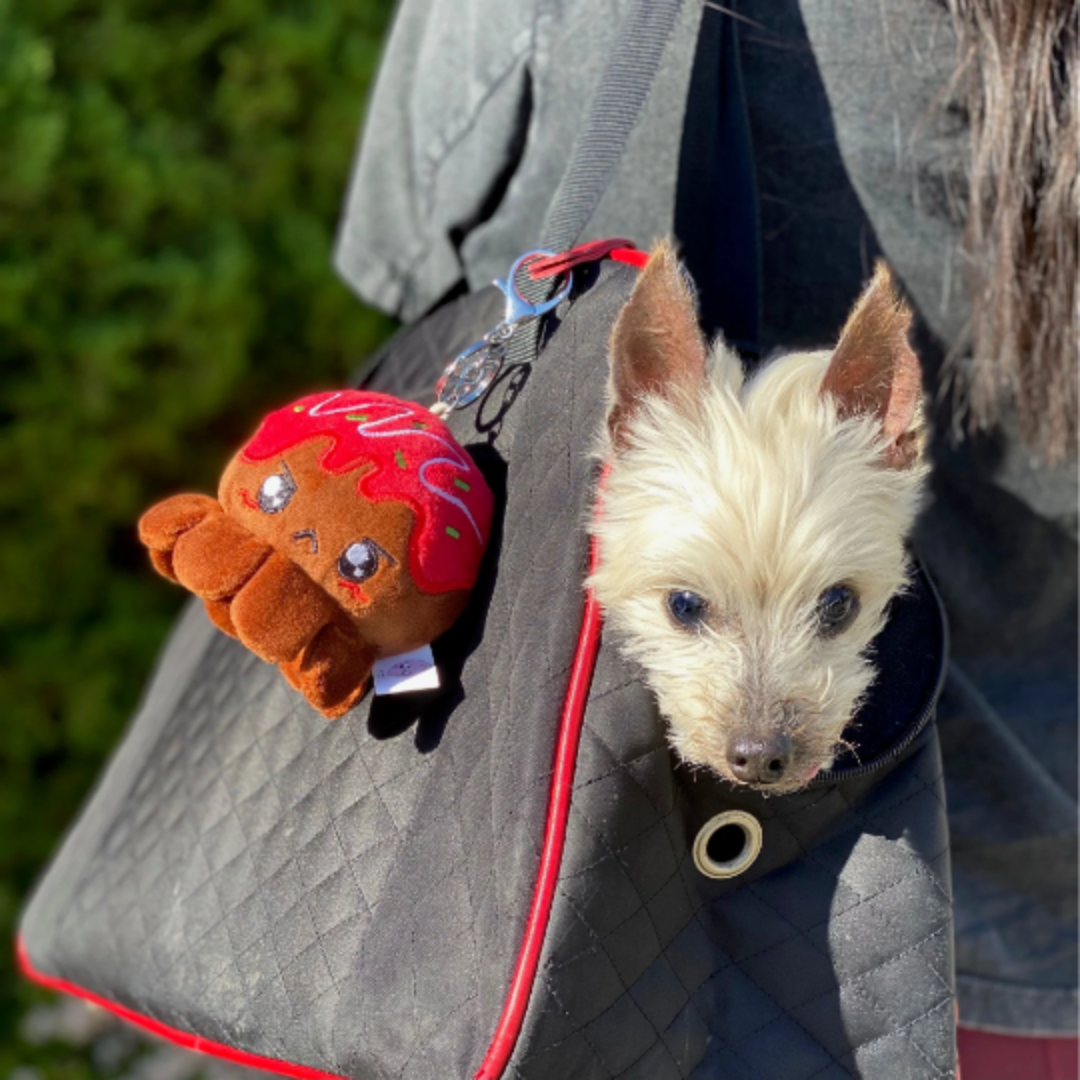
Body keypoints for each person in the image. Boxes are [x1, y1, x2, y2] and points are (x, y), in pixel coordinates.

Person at [333, 0, 1078, 1076]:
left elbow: (406, 265)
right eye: (689, 608)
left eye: (834, 608)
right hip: (986, 903)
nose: (761, 730)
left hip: (512, 914)